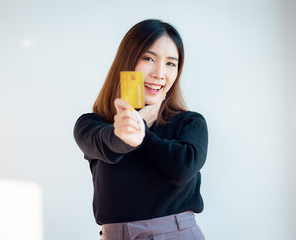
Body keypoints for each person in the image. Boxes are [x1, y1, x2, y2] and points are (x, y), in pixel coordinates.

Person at [73, 19, 208, 240]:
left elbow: (182, 168)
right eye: (148, 58)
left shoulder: (190, 122)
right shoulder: (92, 124)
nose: (159, 73)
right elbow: (109, 143)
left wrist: (142, 131)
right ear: (127, 62)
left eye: (170, 63)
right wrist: (129, 129)